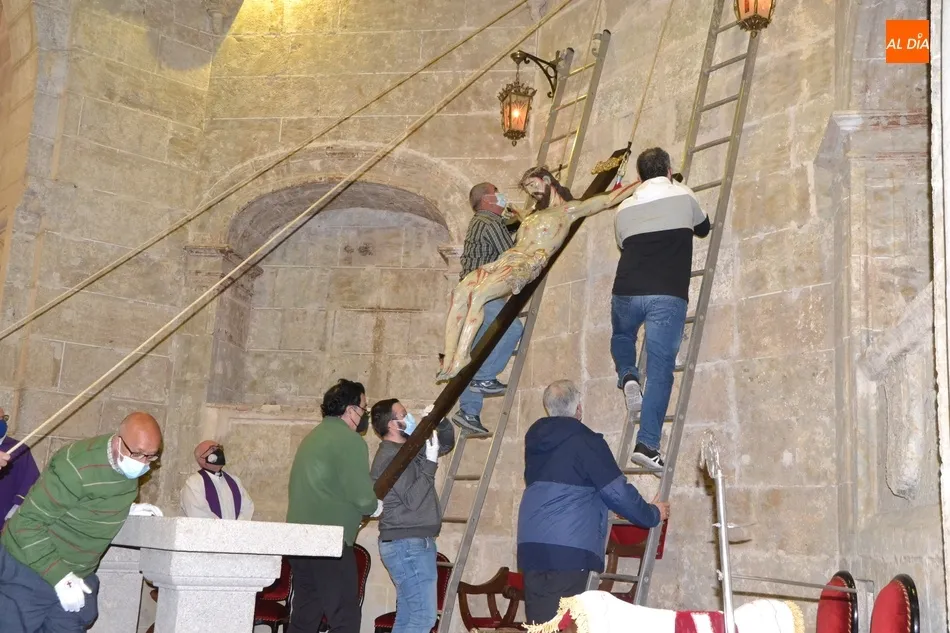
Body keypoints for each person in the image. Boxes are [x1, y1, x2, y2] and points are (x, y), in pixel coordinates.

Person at [440, 177, 638, 382]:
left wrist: (642, 182)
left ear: (548, 181)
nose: (532, 191)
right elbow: (512, 220)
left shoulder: (567, 210)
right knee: (459, 293)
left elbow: (606, 200)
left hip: (523, 263)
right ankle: (448, 359)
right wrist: (514, 213)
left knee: (479, 295)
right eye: (527, 188)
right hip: (503, 260)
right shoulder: (530, 217)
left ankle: (462, 356)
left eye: (534, 185)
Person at [516, 380, 669, 625]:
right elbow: (617, 492)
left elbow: (566, 487)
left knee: (541, 626)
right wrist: (652, 514)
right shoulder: (586, 441)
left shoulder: (534, 441)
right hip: (568, 550)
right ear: (578, 408)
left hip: (531, 546)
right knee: (565, 625)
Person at [0, 412, 163, 632]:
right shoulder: (75, 464)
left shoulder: (128, 466)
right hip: (27, 571)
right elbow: (26, 524)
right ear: (118, 440)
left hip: (77, 576)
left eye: (151, 457)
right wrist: (61, 578)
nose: (143, 463)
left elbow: (92, 500)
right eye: (138, 453)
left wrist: (127, 510)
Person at [610, 147, 710, 471]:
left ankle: (627, 373)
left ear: (638, 177)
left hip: (626, 291)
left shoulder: (623, 208)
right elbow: (704, 227)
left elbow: (624, 243)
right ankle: (647, 443)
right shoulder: (684, 195)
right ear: (668, 170)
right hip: (666, 295)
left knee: (623, 336)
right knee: (661, 368)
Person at [286, 379, 382, 633]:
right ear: (351, 410)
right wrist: (374, 505)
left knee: (305, 615)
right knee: (345, 618)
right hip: (328, 541)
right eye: (364, 407)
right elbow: (362, 496)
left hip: (298, 541)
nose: (365, 415)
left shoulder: (313, 437)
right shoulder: (349, 440)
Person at [450, 182, 527, 435]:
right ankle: (485, 377)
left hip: (469, 292)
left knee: (475, 350)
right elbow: (511, 254)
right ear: (486, 200)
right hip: (482, 291)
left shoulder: (480, 222)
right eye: (497, 192)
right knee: (512, 329)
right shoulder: (489, 221)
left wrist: (513, 224)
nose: (501, 197)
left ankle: (469, 411)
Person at [369, 399, 444, 633]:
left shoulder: (405, 451)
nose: (409, 417)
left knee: (407, 616)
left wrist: (440, 421)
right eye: (404, 414)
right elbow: (412, 500)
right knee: (423, 618)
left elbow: (445, 443)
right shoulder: (389, 458)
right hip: (407, 543)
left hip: (408, 543)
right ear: (393, 424)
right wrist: (431, 464)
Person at [180, 440, 255, 520]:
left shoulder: (234, 481)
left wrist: (235, 528)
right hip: (209, 532)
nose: (219, 451)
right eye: (212, 449)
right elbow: (198, 514)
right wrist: (223, 530)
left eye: (220, 447)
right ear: (201, 459)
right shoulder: (194, 483)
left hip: (236, 531)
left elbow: (247, 507)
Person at [0, 409, 40, 530]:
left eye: (3, 418)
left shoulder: (19, 449)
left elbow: (30, 483)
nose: (1, 422)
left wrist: (11, 519)